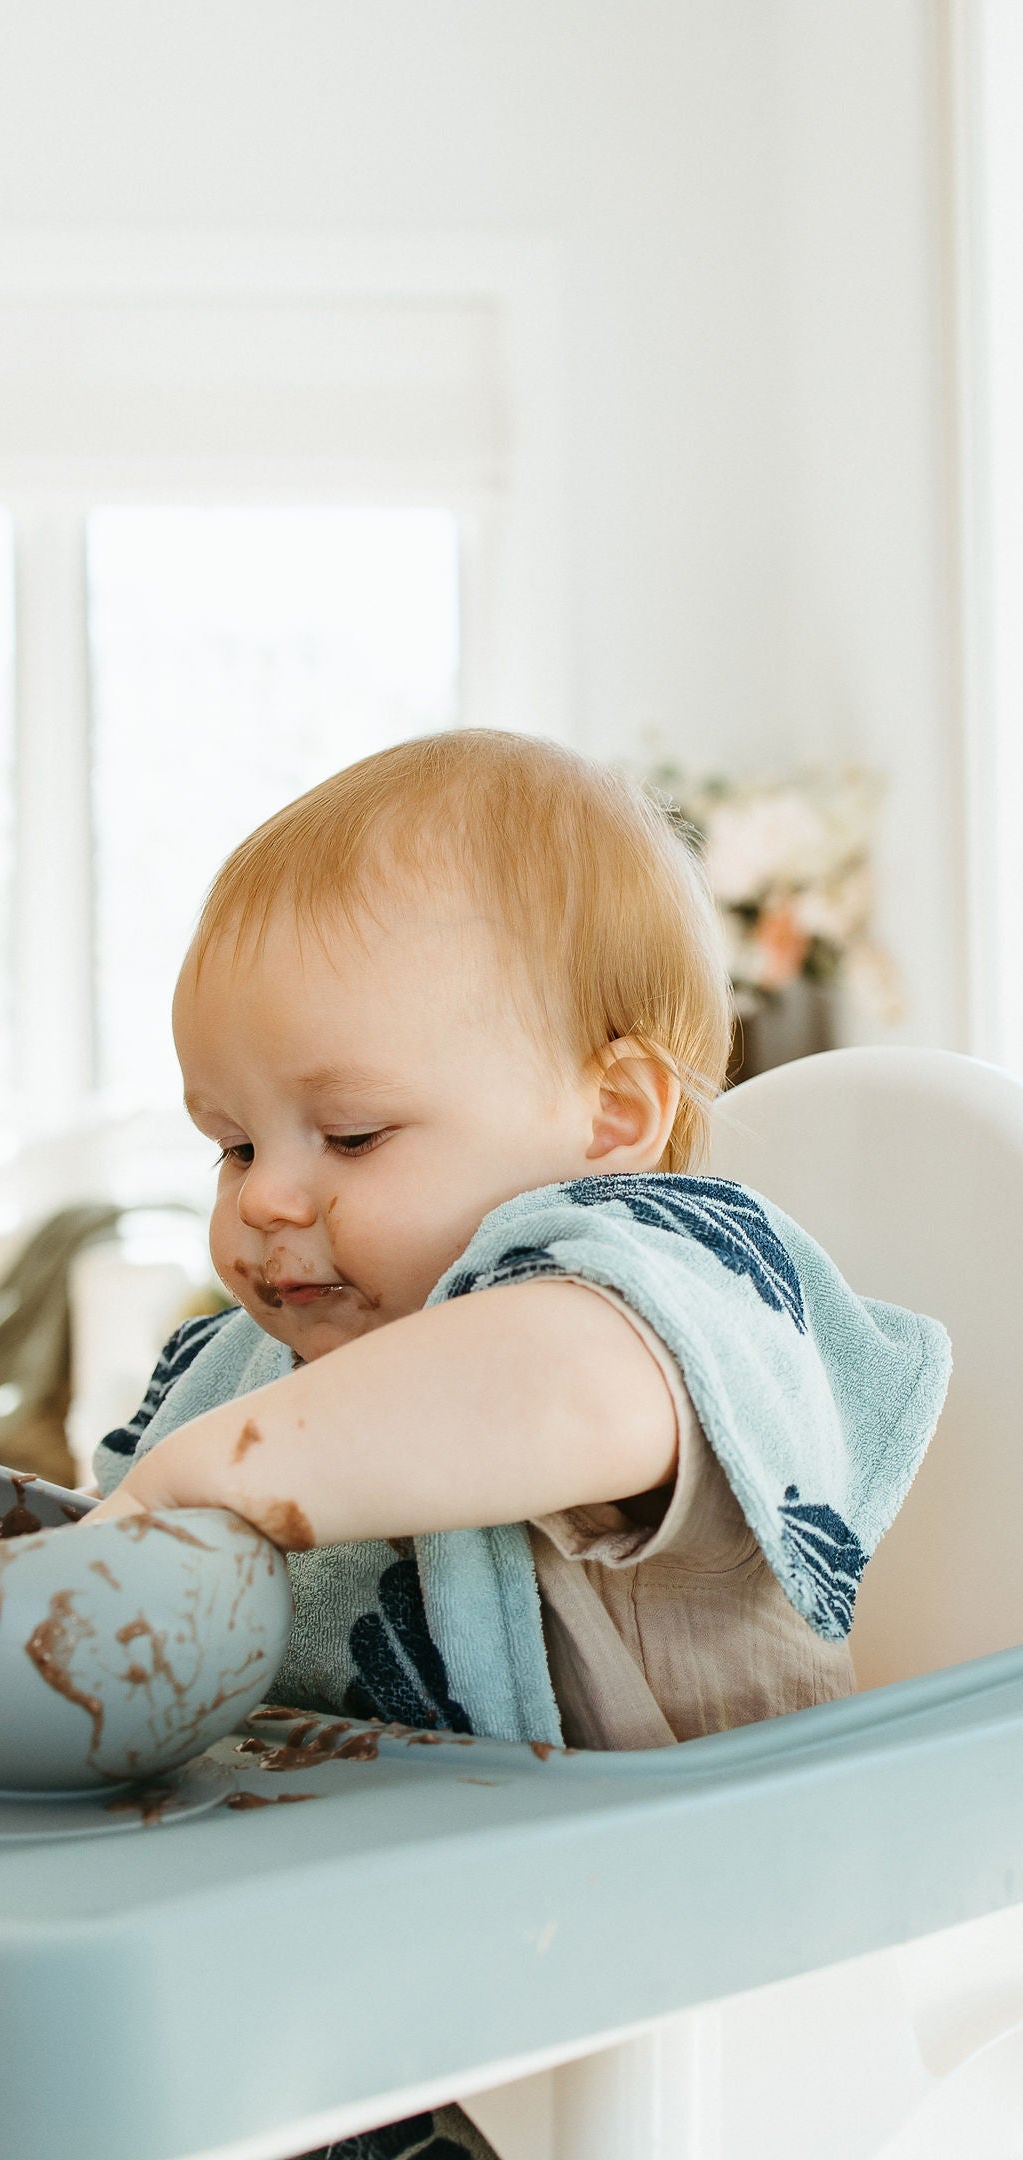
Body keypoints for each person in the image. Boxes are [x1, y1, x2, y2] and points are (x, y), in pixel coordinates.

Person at [87, 729, 950, 2160]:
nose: (267, 1201)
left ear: (611, 1116)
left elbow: (561, 1389)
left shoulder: (667, 1286)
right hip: (330, 2014)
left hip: (663, 2045)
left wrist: (205, 1484)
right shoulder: (267, 1372)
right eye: (233, 1145)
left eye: (350, 1136)